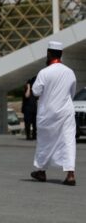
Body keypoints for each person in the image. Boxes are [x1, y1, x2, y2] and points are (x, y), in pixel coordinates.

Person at [30, 41, 77, 186]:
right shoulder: (69, 72)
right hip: (66, 111)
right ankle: (70, 174)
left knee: (45, 142)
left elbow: (35, 91)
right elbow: (72, 92)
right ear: (61, 54)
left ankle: (41, 171)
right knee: (68, 141)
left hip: (47, 113)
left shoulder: (44, 72)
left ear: (49, 54)